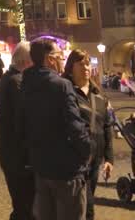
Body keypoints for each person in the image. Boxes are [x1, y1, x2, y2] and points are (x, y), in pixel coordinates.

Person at [23, 38, 92, 220]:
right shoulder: (62, 85)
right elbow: (74, 125)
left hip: (41, 166)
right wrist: (87, 150)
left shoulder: (25, 83)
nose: (63, 60)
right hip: (66, 168)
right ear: (50, 59)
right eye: (60, 56)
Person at [64, 48, 114, 220]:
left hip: (96, 158)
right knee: (86, 205)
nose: (86, 67)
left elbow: (107, 126)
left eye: (88, 63)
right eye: (81, 64)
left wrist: (109, 159)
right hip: (75, 158)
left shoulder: (98, 94)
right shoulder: (66, 92)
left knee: (86, 199)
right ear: (71, 66)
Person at [0, 41, 34, 220]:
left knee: (22, 206)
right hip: (18, 157)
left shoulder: (9, 78)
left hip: (11, 154)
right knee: (24, 207)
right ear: (26, 61)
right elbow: (24, 119)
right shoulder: (16, 81)